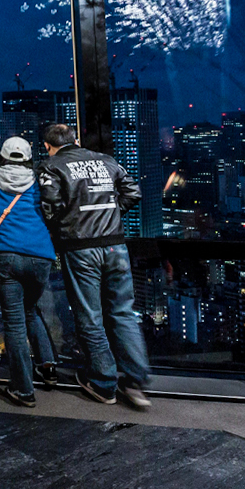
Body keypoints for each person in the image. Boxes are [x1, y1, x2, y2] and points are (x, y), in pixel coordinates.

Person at [37, 123, 152, 409]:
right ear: (74, 140)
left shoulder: (51, 165)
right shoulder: (106, 161)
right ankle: (136, 380)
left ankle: (103, 383)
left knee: (90, 316)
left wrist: (72, 221)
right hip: (116, 245)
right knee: (123, 311)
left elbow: (49, 207)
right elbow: (133, 192)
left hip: (81, 247)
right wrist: (111, 213)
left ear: (49, 146)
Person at [0, 136, 59, 407]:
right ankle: (48, 367)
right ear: (29, 158)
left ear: (1, 157)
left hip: (4, 257)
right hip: (41, 256)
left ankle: (24, 390)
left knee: (14, 322)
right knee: (30, 310)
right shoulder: (39, 184)